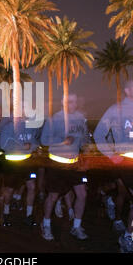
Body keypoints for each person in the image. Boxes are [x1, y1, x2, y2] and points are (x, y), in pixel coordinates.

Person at [94, 79, 133, 253]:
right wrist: (111, 155)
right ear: (127, 91)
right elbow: (99, 134)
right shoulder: (116, 110)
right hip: (128, 162)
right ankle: (126, 238)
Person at [40, 93, 91, 241]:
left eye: (74, 102)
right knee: (53, 196)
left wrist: (85, 148)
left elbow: (83, 138)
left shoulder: (80, 119)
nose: (72, 105)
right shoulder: (54, 119)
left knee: (82, 195)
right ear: (63, 103)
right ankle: (46, 224)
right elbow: (44, 140)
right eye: (69, 102)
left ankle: (76, 226)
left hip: (74, 164)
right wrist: (62, 141)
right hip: (57, 164)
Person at [0, 117, 43, 227]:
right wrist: (22, 147)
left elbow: (35, 142)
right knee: (9, 190)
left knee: (32, 186)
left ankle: (29, 215)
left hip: (27, 162)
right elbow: (3, 145)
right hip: (12, 163)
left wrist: (35, 148)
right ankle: (6, 212)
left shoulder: (30, 127)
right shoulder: (8, 127)